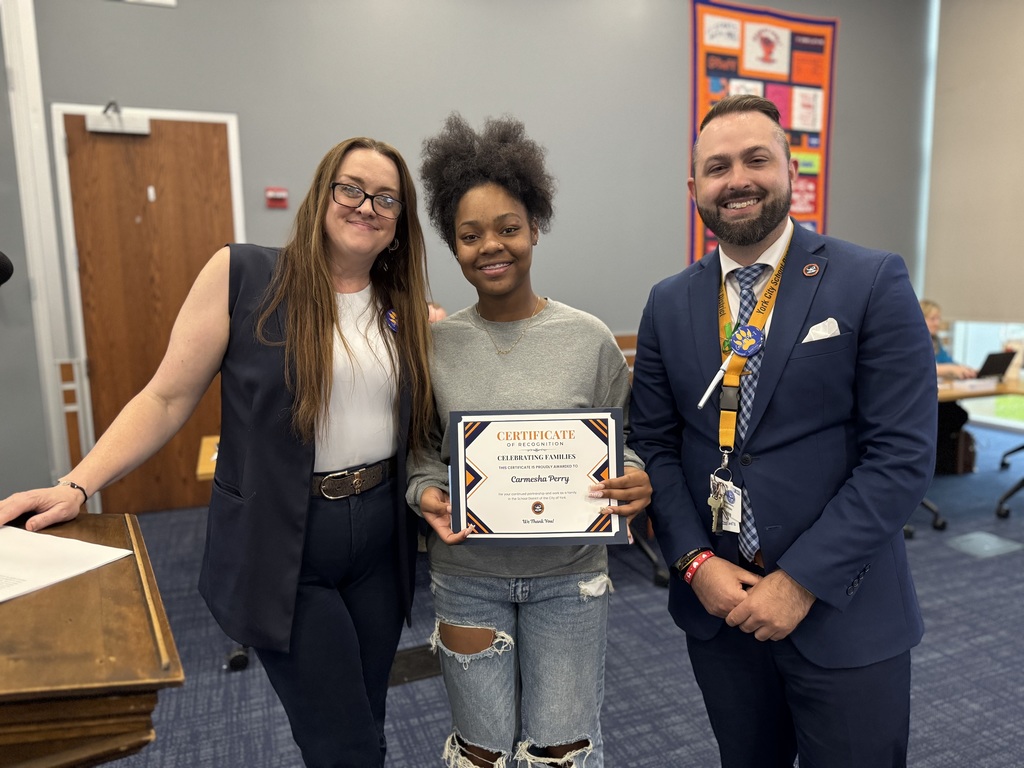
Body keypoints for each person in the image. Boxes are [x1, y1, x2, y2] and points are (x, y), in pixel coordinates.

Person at [0, 137, 437, 768]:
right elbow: (166, 399)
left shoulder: (403, 309)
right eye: (352, 188)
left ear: (400, 223)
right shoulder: (244, 274)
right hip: (286, 543)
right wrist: (76, 483)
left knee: (367, 713)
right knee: (340, 741)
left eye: (387, 199)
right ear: (321, 196)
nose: (367, 206)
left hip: (378, 539)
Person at [628, 94, 937, 768]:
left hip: (843, 607)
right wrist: (694, 562)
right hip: (721, 610)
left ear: (791, 170)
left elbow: (902, 455)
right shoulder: (668, 302)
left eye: (755, 159)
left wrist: (797, 581)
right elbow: (652, 443)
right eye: (717, 167)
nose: (736, 179)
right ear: (694, 189)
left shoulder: (870, 279)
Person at [408, 113, 652, 768]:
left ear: (534, 229)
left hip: (568, 579)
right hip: (467, 579)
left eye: (508, 228)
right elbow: (424, 453)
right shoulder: (434, 347)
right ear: (453, 246)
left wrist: (633, 477)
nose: (492, 246)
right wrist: (427, 490)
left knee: (562, 750)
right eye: (470, 235)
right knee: (482, 751)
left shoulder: (590, 339)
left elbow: (623, 442)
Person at [921, 298, 975, 473]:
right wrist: (950, 369)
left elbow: (947, 363)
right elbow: (922, 366)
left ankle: (943, 461)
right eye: (933, 318)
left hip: (940, 395)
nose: (937, 323)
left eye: (939, 318)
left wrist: (962, 369)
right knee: (952, 415)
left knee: (957, 414)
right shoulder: (913, 339)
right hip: (922, 399)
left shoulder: (936, 342)